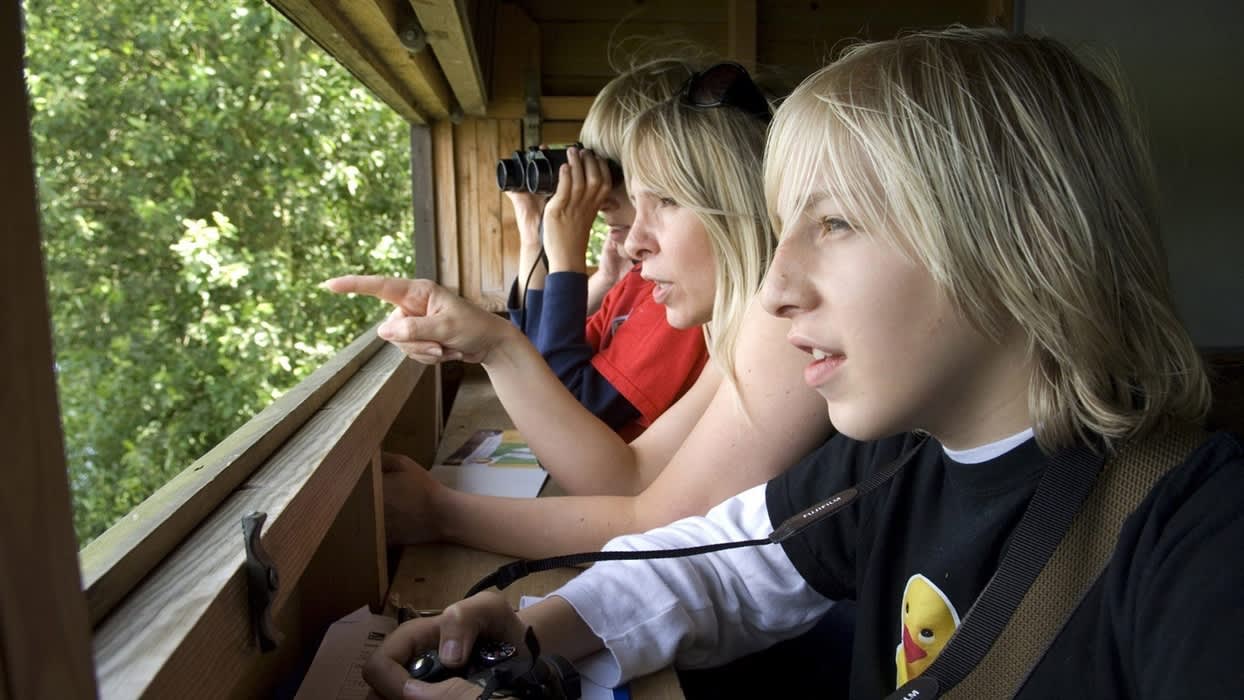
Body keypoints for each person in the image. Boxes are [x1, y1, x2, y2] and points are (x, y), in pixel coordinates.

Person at [362, 28, 1243, 700]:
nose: (776, 289)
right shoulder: (897, 457)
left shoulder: (1199, 537)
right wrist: (531, 628)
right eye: (781, 229)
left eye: (836, 223)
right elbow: (724, 566)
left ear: (1021, 241)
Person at [326, 62, 834, 556]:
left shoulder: (787, 325)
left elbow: (655, 523)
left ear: (739, 203)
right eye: (635, 202)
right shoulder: (740, 330)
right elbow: (627, 478)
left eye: (666, 201)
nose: (633, 243)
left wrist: (441, 512)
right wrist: (494, 344)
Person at [504, 59, 711, 441]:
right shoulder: (639, 279)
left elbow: (567, 408)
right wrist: (535, 237)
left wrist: (566, 258)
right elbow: (533, 360)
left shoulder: (681, 295)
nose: (601, 198)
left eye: (612, 175)